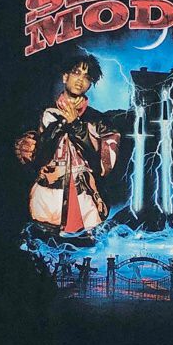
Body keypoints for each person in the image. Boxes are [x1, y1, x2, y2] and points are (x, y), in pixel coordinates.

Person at [22, 54, 120, 236]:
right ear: (65, 76)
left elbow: (104, 166)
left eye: (87, 77)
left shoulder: (100, 122)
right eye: (76, 73)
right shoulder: (42, 114)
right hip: (46, 203)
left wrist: (76, 126)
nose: (80, 80)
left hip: (86, 205)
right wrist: (59, 125)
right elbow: (33, 159)